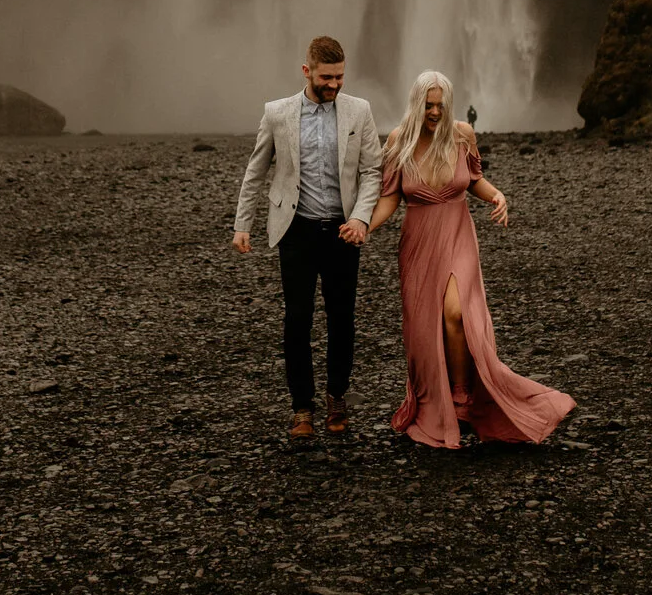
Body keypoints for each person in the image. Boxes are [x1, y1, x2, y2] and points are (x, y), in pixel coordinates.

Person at [368, 70, 573, 449]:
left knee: (456, 314)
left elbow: (474, 179)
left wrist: (497, 196)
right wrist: (364, 226)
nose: (434, 112)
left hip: (459, 233)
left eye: (439, 105)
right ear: (416, 104)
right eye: (427, 105)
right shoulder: (399, 140)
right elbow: (391, 197)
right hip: (419, 243)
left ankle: (462, 400)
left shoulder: (462, 134)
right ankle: (434, 399)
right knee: (425, 328)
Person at [231, 35, 384, 440]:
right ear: (307, 72)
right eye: (326, 77)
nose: (334, 85)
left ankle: (336, 396)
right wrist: (242, 224)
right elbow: (256, 170)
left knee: (342, 319)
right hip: (295, 230)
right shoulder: (277, 114)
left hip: (342, 231)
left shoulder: (360, 111)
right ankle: (302, 407)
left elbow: (373, 172)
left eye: (339, 77)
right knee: (297, 320)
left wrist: (362, 219)